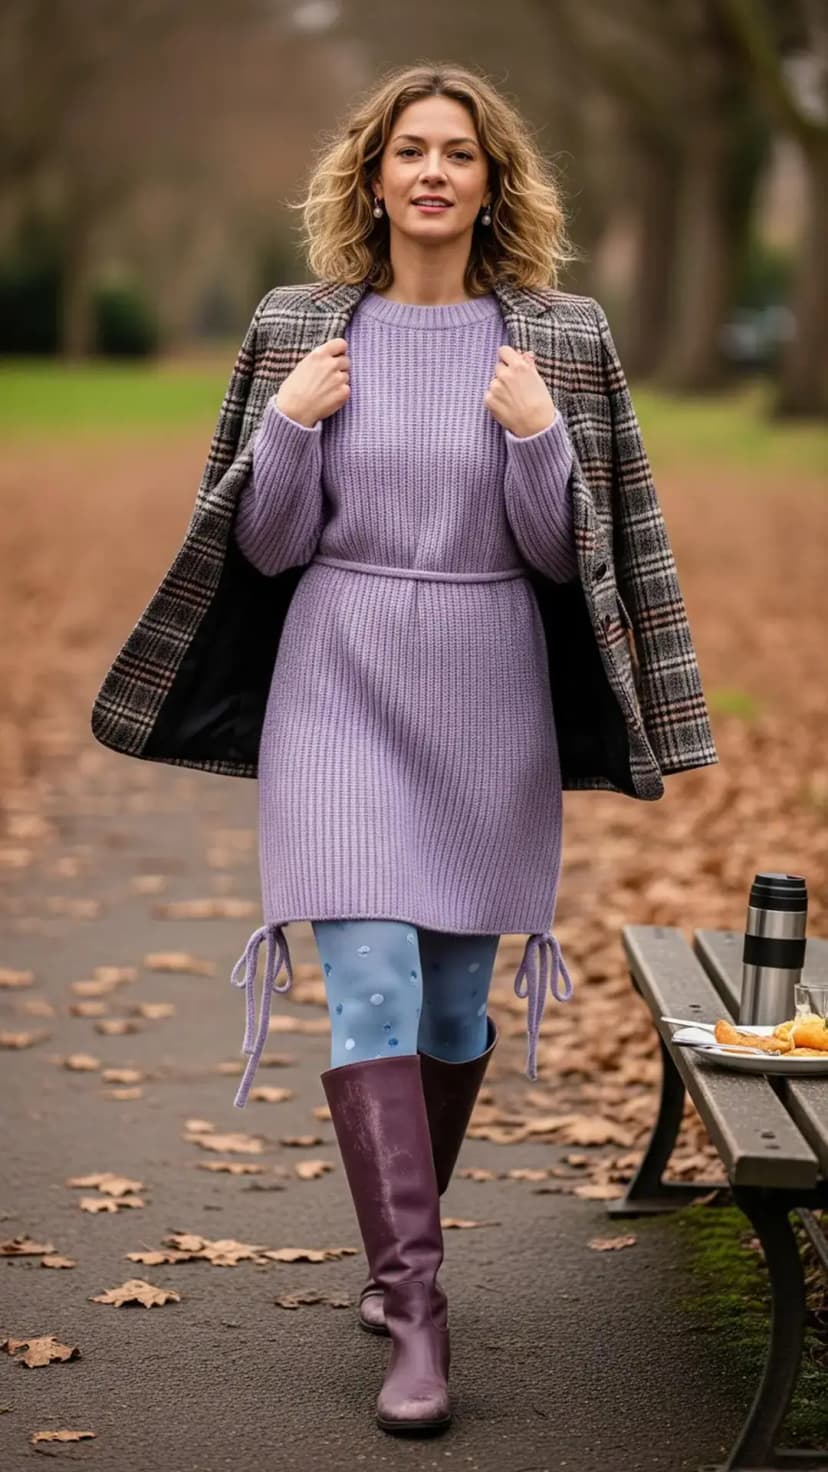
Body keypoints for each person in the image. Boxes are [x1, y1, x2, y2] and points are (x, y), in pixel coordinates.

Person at [90, 60, 718, 1439]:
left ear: (494, 184)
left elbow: (568, 557)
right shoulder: (297, 326)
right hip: (339, 678)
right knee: (366, 981)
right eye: (410, 151)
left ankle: (396, 1256)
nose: (433, 173)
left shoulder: (557, 336)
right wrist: (289, 424)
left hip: (488, 689)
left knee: (448, 1012)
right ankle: (415, 1302)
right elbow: (260, 546)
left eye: (460, 154)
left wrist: (542, 439)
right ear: (369, 177)